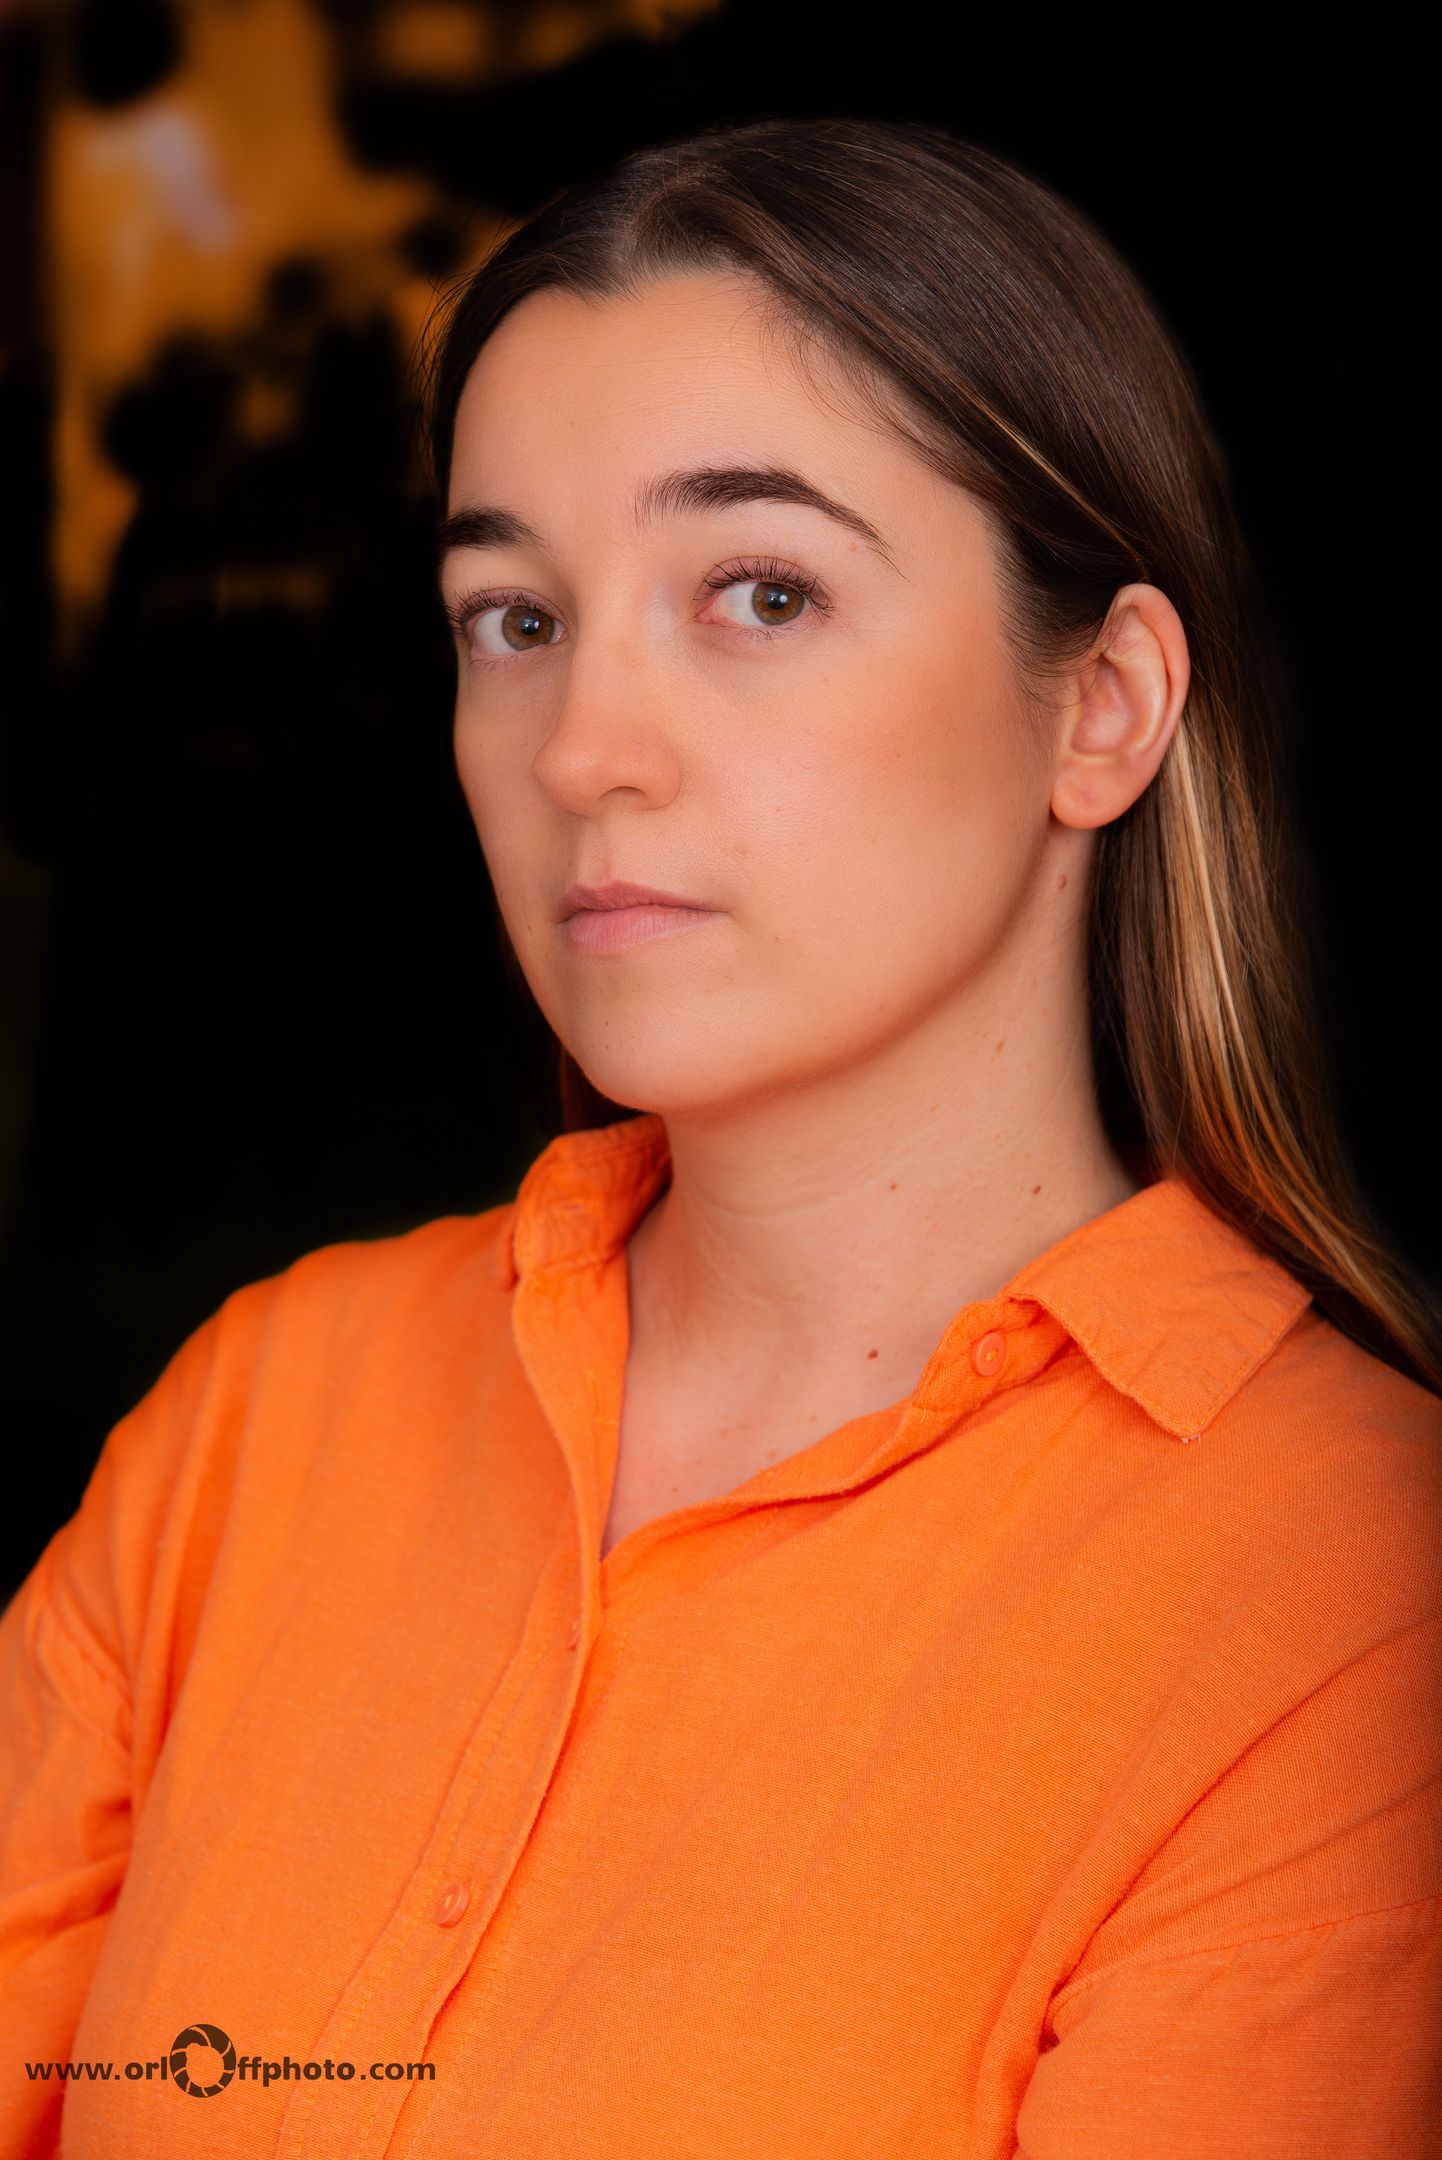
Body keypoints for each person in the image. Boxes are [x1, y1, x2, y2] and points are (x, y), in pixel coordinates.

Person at [2, 114, 1439, 2160]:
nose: (584, 750)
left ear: (1103, 704)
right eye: (514, 618)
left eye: (760, 593)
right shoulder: (257, 1418)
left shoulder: (1347, 1598)